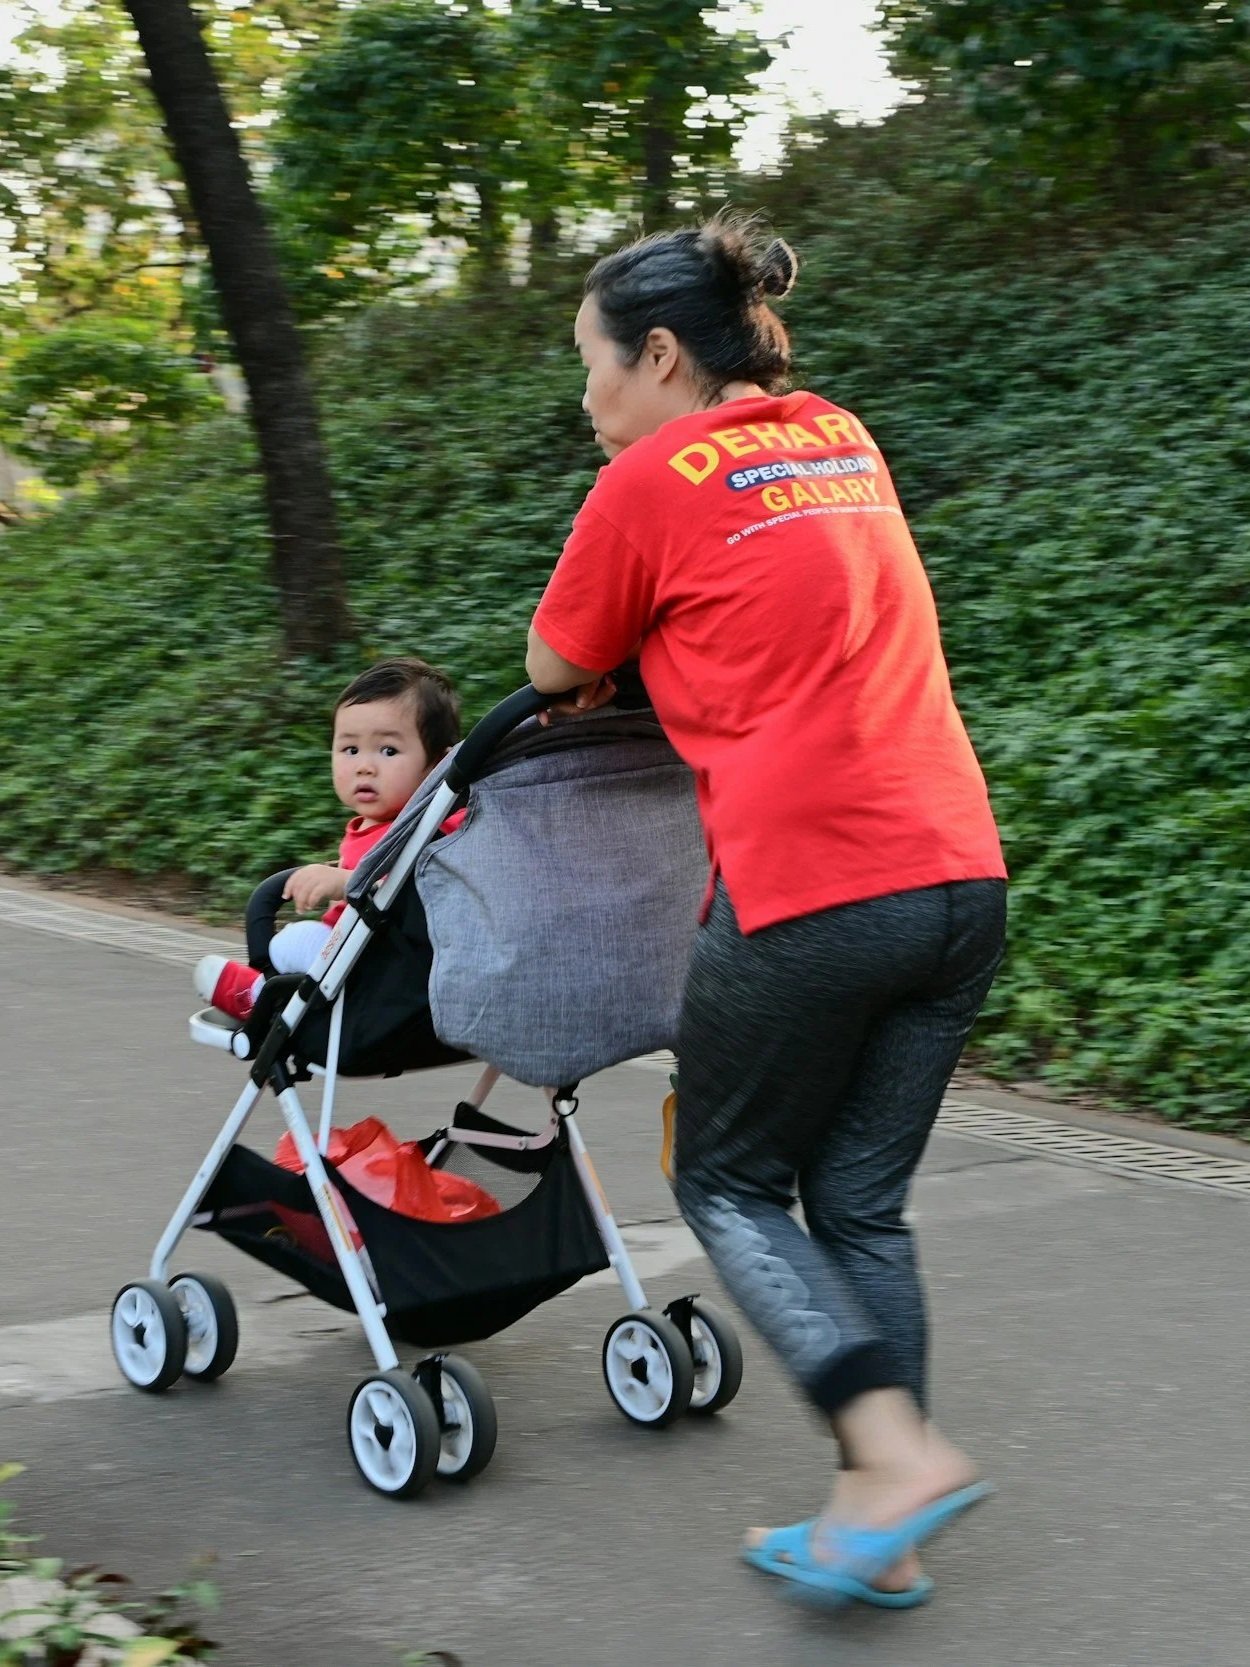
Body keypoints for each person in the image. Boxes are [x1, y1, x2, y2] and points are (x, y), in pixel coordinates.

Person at [525, 216, 1008, 1608]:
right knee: (857, 1205)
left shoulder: (645, 477)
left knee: (727, 1180)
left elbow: (554, 661)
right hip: (957, 875)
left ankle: (890, 1456)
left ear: (657, 354)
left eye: (589, 362)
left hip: (809, 887)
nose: (584, 394)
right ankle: (882, 1523)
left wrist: (623, 632)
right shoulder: (840, 438)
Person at [195, 657, 460, 1022]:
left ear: (438, 765)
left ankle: (257, 997)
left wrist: (345, 882)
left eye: (388, 751)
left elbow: (421, 894)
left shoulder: (434, 829)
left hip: (388, 971)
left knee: (291, 941)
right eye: (350, 750)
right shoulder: (376, 825)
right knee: (297, 941)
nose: (364, 766)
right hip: (355, 953)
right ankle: (273, 993)